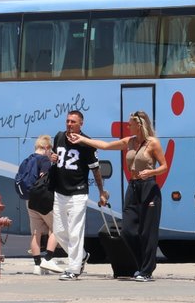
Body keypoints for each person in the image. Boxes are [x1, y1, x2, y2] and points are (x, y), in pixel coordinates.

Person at [68, 111, 167, 282]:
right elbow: (105, 146)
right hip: (133, 187)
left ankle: (146, 271)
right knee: (128, 231)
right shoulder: (129, 142)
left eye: (130, 124)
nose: (128, 126)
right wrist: (83, 139)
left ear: (139, 125)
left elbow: (164, 166)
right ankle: (141, 265)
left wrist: (152, 171)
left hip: (149, 187)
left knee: (147, 232)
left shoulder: (153, 143)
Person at [51, 110, 108, 281]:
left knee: (75, 232)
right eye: (68, 121)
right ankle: (81, 255)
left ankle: (73, 269)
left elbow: (95, 169)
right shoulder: (59, 137)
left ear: (81, 124)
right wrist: (52, 158)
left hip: (78, 192)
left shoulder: (87, 142)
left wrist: (101, 192)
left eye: (73, 122)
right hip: (60, 191)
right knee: (59, 231)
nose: (69, 124)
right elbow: (56, 158)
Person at [26, 135, 64, 275]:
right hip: (43, 198)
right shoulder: (44, 160)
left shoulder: (27, 160)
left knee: (35, 233)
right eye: (50, 149)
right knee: (56, 227)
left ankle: (37, 265)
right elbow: (45, 178)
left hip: (30, 200)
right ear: (47, 147)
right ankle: (48, 258)